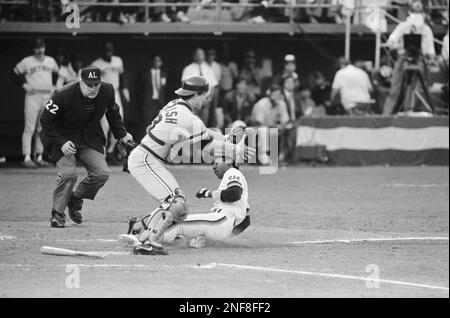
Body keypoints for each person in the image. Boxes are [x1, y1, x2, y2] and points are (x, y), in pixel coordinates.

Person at [126, 75, 254, 255]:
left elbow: (207, 134)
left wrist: (227, 138)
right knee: (175, 202)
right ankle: (147, 240)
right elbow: (208, 146)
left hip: (146, 157)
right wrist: (236, 150)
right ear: (195, 95)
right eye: (204, 96)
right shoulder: (189, 119)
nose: (205, 100)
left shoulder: (173, 105)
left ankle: (138, 226)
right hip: (147, 160)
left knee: (181, 210)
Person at [40, 66, 133, 228]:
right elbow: (46, 121)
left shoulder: (107, 90)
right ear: (81, 82)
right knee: (69, 174)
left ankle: (75, 199)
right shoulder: (63, 94)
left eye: (96, 84)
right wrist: (61, 142)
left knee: (101, 174)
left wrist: (122, 135)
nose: (93, 88)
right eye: (89, 85)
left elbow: (113, 114)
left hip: (89, 136)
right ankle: (58, 213)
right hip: (62, 138)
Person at [10, 37, 59, 168]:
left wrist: (54, 85)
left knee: (42, 128)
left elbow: (56, 72)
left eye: (41, 47)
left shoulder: (51, 60)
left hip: (46, 96)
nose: (39, 50)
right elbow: (13, 74)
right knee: (29, 128)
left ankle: (39, 156)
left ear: (44, 47)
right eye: (37, 48)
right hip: (33, 96)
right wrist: (24, 85)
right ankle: (26, 157)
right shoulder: (27, 61)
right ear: (33, 49)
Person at [382, 0, 436, 115]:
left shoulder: (426, 29)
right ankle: (386, 116)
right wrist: (400, 45)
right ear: (410, 9)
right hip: (404, 58)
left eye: (419, 5)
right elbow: (391, 42)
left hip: (420, 60)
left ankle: (412, 112)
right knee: (395, 90)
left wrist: (429, 57)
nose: (417, 6)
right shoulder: (403, 26)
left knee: (417, 90)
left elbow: (431, 50)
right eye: (415, 4)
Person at [92, 42, 131, 164]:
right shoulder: (96, 64)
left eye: (110, 51)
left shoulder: (118, 60)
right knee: (104, 126)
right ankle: (102, 155)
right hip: (102, 94)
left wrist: (125, 91)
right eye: (106, 51)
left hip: (116, 93)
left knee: (119, 124)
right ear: (102, 52)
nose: (108, 53)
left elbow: (122, 76)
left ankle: (110, 151)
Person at [251, 83, 290, 165]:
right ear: (270, 94)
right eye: (274, 94)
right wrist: (275, 126)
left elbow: (285, 120)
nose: (276, 96)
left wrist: (281, 126)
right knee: (264, 129)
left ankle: (283, 157)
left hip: (273, 128)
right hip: (255, 129)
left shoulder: (282, 104)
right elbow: (258, 122)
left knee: (287, 128)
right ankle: (263, 156)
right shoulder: (261, 104)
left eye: (278, 94)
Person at [181, 48, 219, 127]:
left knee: (203, 124)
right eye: (198, 54)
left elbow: (213, 85)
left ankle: (202, 138)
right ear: (194, 56)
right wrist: (193, 99)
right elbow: (184, 86)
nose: (199, 56)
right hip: (193, 101)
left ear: (204, 56)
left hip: (206, 101)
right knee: (193, 123)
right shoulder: (188, 68)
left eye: (201, 54)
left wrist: (208, 98)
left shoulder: (208, 68)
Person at [133, 55, 167, 141]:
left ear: (161, 63)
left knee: (159, 125)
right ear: (151, 62)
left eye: (158, 61)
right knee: (144, 125)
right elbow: (137, 90)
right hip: (147, 103)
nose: (156, 63)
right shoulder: (144, 74)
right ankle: (140, 144)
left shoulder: (163, 74)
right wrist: (141, 103)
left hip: (159, 103)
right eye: (154, 61)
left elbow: (164, 91)